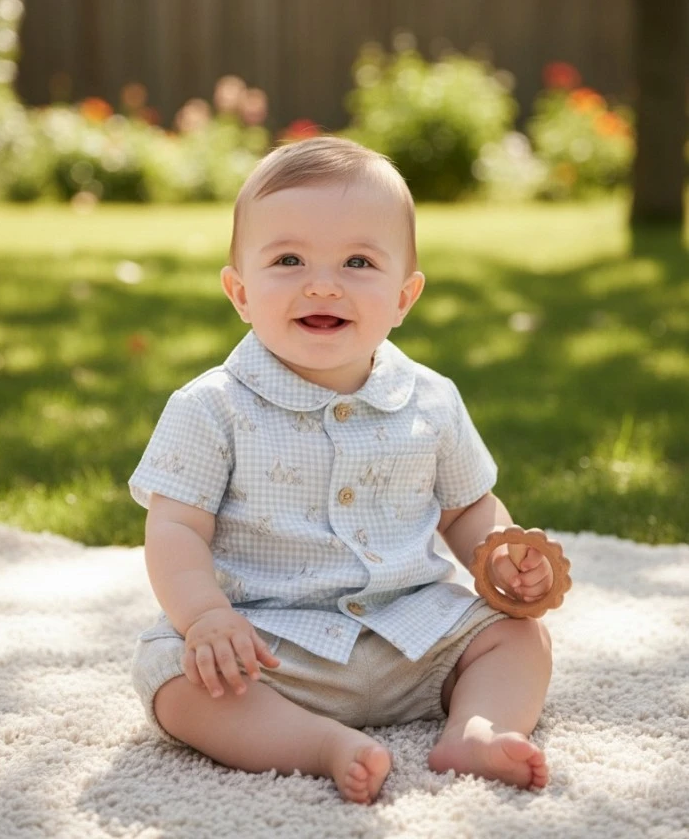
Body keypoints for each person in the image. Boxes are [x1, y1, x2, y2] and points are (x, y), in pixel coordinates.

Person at [129, 136, 554, 804]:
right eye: (288, 259)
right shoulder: (211, 407)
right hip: (270, 647)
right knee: (177, 683)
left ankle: (477, 728)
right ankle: (318, 744)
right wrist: (206, 615)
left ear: (403, 298)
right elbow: (176, 528)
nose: (322, 283)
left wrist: (497, 561)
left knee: (517, 640)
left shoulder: (431, 399)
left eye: (358, 261)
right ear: (240, 292)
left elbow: (468, 509)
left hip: (412, 631)